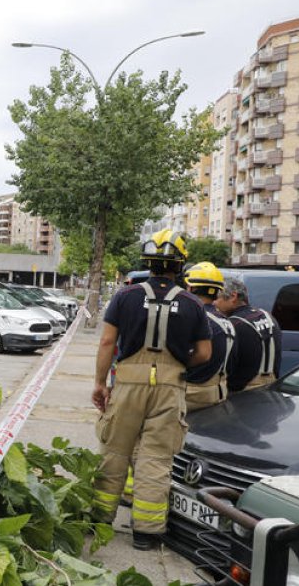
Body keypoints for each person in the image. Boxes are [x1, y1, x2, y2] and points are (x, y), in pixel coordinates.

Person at [92, 229, 211, 551]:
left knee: (115, 452)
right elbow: (204, 353)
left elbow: (107, 342)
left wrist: (100, 383)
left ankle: (99, 519)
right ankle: (146, 532)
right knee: (156, 458)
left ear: (147, 261)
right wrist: (178, 365)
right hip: (169, 388)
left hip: (128, 384)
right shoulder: (192, 303)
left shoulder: (125, 296)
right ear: (180, 264)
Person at [182, 262, 236, 411]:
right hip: (219, 394)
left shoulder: (191, 319)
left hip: (191, 397)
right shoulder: (227, 322)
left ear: (191, 288)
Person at [216, 275, 282, 392]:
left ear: (233, 297)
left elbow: (226, 366)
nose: (214, 303)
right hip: (271, 386)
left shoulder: (234, 325)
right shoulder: (267, 316)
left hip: (244, 392)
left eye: (217, 298)